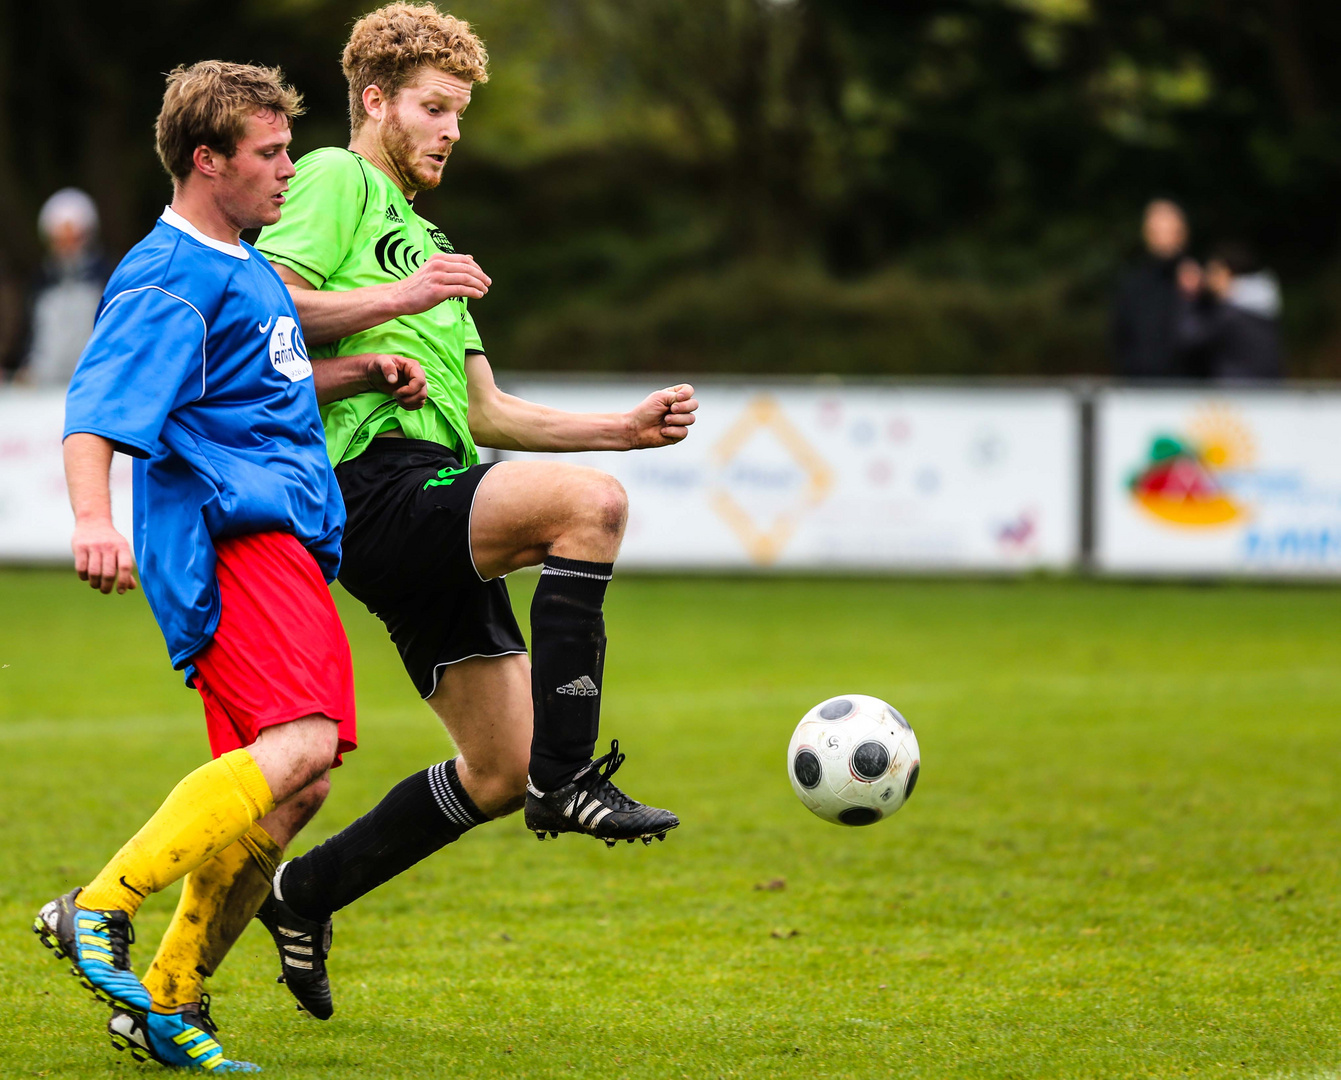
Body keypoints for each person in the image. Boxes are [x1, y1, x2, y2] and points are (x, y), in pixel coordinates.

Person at [128, 2, 697, 1022]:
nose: (449, 132)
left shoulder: (427, 239)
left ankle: (306, 896)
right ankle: (571, 783)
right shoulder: (340, 181)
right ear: (377, 100)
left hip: (438, 485)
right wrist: (403, 299)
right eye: (434, 108)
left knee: (496, 766)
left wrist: (625, 426)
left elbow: (485, 412)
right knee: (590, 512)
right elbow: (267, 303)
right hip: (373, 483)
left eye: (462, 116)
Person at [33, 60, 422, 1072]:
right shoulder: (172, 273)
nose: (291, 169)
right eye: (270, 153)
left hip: (282, 537)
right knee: (298, 744)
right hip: (231, 536)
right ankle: (99, 909)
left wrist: (360, 370)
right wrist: (92, 520)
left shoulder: (244, 264)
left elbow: (255, 387)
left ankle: (168, 999)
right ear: (207, 161)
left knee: (297, 787)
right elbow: (95, 411)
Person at [19, 188, 112, 387]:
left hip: (92, 384)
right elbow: (30, 333)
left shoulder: (107, 279)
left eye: (74, 238)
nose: (68, 246)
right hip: (43, 388)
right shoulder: (40, 281)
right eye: (61, 239)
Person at [1176, 242, 1282, 381]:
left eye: (1211, 271)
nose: (1207, 279)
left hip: (1237, 396)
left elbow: (1187, 338)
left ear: (1225, 272)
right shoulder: (1262, 307)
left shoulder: (1229, 315)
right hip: (1265, 393)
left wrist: (1190, 294)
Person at [1110, 198, 1191, 379]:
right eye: (1156, 231)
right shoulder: (1133, 283)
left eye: (1168, 230)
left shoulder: (1196, 280)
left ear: (1182, 233)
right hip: (1141, 389)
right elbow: (1120, 336)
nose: (1162, 237)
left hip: (1189, 392)